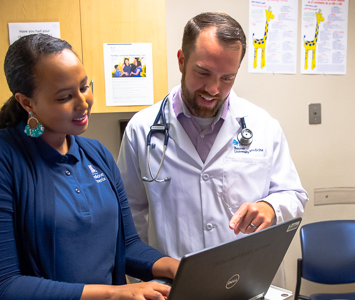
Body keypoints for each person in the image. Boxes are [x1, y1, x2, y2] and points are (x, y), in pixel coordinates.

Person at [0, 34, 178, 300]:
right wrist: (113, 294)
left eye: (84, 86)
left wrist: (177, 267)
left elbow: (127, 246)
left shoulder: (98, 155)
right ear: (26, 102)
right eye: (64, 97)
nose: (83, 103)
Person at [117, 12, 308, 286]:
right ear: (182, 60)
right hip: (176, 286)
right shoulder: (142, 129)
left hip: (249, 281)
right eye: (203, 72)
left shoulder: (263, 125)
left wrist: (269, 207)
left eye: (227, 78)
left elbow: (294, 195)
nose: (213, 88)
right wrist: (144, 281)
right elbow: (131, 218)